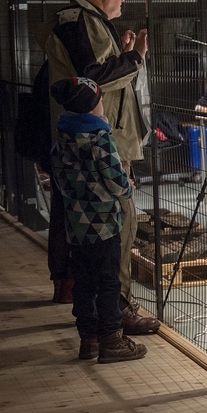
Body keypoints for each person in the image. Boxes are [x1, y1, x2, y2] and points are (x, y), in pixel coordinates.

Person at [42, 0, 159, 334]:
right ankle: (114, 315)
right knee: (117, 230)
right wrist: (135, 57)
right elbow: (91, 79)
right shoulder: (81, 22)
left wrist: (121, 55)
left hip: (97, 139)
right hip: (100, 142)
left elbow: (94, 71)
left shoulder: (85, 22)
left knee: (105, 234)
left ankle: (98, 319)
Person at [49, 77, 147, 364]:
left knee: (83, 282)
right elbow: (115, 181)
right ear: (93, 107)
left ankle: (88, 340)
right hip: (104, 224)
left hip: (76, 226)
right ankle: (112, 340)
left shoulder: (61, 141)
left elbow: (60, 182)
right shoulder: (100, 139)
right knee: (108, 282)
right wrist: (128, 185)